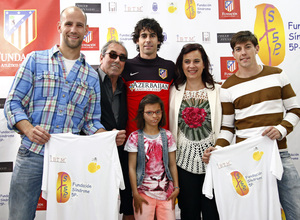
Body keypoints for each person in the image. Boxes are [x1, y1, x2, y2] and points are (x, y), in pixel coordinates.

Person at [4, 6, 125, 220]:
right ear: (60, 26)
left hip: (69, 161)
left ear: (86, 30)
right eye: (69, 24)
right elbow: (12, 104)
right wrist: (29, 129)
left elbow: (90, 122)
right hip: (32, 154)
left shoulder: (90, 75)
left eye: (79, 25)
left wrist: (106, 137)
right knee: (19, 216)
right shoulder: (35, 60)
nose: (73, 29)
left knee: (70, 216)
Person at [203, 30, 300, 220]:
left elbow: (295, 110)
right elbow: (228, 128)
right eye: (238, 49)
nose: (243, 52)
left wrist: (280, 130)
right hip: (248, 161)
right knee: (255, 214)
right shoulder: (228, 86)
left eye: (247, 47)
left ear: (256, 48)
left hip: (279, 153)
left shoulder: (278, 74)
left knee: (295, 211)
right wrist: (218, 149)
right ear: (233, 54)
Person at [169, 43, 221, 220]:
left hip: (213, 163)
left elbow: (227, 127)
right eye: (187, 61)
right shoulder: (172, 92)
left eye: (197, 61)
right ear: (181, 65)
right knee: (188, 213)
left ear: (204, 63)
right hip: (183, 165)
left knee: (212, 214)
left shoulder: (219, 90)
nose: (192, 66)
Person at [95, 40, 134, 220]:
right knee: (96, 204)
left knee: (128, 204)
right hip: (93, 155)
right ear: (101, 57)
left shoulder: (126, 86)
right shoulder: (89, 80)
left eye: (122, 57)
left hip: (121, 153)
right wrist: (103, 136)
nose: (117, 60)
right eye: (112, 55)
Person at [125, 94, 179, 220]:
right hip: (143, 193)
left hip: (167, 193)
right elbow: (131, 168)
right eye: (149, 112)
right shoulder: (134, 137)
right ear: (142, 114)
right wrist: (135, 194)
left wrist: (176, 187)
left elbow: (172, 164)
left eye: (157, 112)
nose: (154, 116)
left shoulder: (168, 136)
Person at [121, 18, 175, 137]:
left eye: (152, 36)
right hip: (133, 140)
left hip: (162, 139)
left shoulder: (169, 67)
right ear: (137, 40)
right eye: (144, 36)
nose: (148, 40)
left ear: (159, 40)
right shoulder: (126, 66)